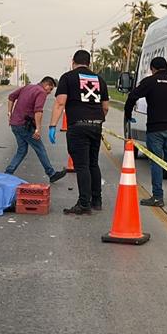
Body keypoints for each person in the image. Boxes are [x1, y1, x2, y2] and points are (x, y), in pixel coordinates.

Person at [49, 50, 109, 215]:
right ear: (89, 63)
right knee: (92, 163)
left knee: (81, 166)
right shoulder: (100, 80)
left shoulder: (68, 77)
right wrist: (96, 121)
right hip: (96, 126)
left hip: (78, 126)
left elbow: (60, 103)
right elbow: (105, 107)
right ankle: (97, 200)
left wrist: (52, 125)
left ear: (73, 61)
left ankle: (84, 204)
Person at [124, 56, 167, 207]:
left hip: (155, 128)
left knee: (156, 162)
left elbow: (132, 96)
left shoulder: (150, 81)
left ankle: (158, 197)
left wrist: (128, 114)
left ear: (153, 69)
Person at [5, 76, 66, 183]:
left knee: (22, 150)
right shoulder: (41, 92)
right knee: (40, 148)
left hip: (15, 124)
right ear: (47, 85)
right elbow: (38, 111)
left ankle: (8, 172)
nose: (49, 93)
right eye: (50, 89)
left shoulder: (28, 87)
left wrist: (10, 113)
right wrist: (38, 129)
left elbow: (11, 97)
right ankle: (51, 174)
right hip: (25, 126)